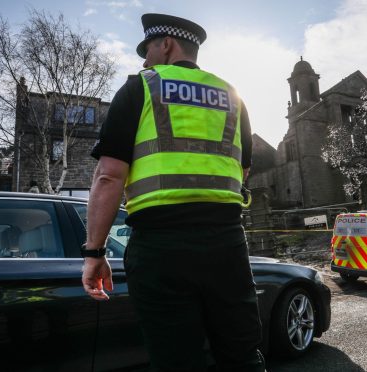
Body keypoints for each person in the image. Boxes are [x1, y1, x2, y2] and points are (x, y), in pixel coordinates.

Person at [81, 13, 265, 372]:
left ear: (165, 44)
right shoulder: (233, 97)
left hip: (160, 248)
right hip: (227, 244)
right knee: (241, 355)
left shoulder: (141, 87)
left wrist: (94, 252)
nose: (145, 59)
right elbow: (242, 169)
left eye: (147, 49)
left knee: (177, 360)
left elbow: (108, 176)